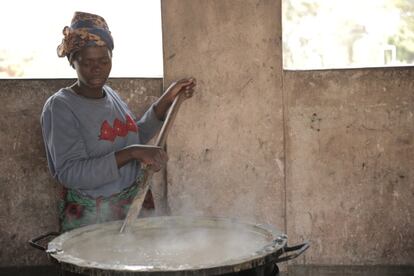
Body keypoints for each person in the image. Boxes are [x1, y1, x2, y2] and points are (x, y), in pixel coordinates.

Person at [40, 11, 196, 232]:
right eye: (87, 62)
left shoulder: (110, 94)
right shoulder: (60, 107)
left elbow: (134, 136)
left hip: (133, 202)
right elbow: (71, 174)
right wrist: (132, 153)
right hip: (94, 216)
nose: (97, 69)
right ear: (71, 61)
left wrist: (167, 99)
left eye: (104, 61)